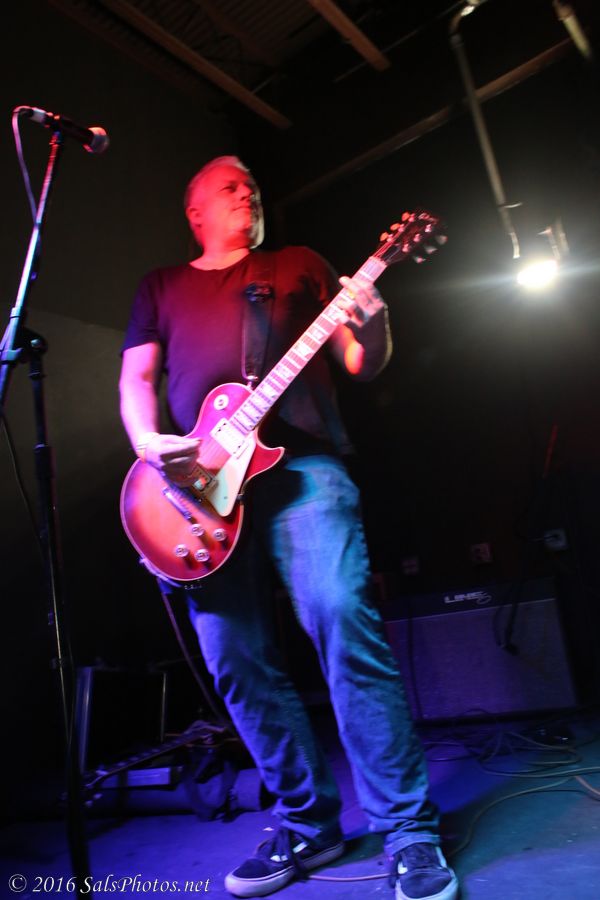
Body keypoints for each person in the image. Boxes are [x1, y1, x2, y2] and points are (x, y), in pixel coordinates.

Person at [119, 155, 458, 900]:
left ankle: (408, 829)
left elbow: (361, 362)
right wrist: (147, 443)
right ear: (195, 212)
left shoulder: (300, 264)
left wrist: (376, 322)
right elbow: (137, 379)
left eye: (253, 183)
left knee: (341, 617)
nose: (248, 190)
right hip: (203, 492)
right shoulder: (161, 286)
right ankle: (309, 824)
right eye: (229, 185)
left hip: (305, 471)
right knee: (232, 656)